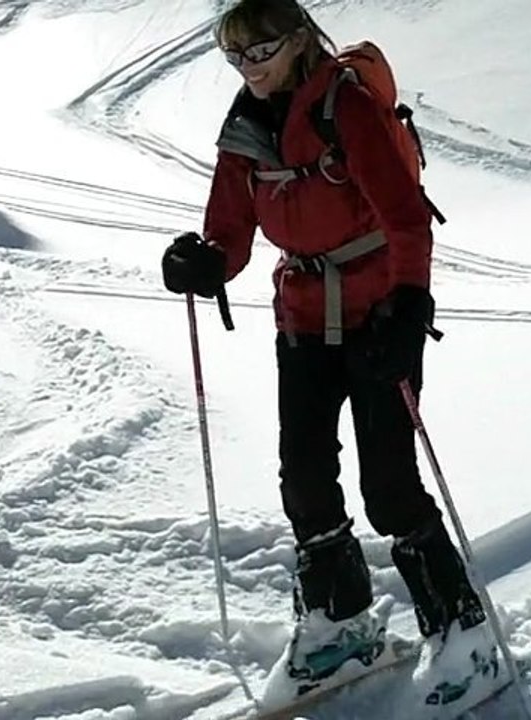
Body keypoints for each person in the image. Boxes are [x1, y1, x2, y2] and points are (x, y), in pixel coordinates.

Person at [160, 0, 489, 696]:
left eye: (262, 49)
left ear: (299, 38)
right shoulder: (246, 125)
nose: (249, 67)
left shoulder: (347, 107)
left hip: (378, 313)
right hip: (303, 317)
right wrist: (204, 262)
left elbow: (406, 217)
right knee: (305, 482)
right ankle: (340, 628)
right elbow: (230, 229)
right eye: (235, 54)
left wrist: (408, 307)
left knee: (391, 489)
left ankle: (465, 635)